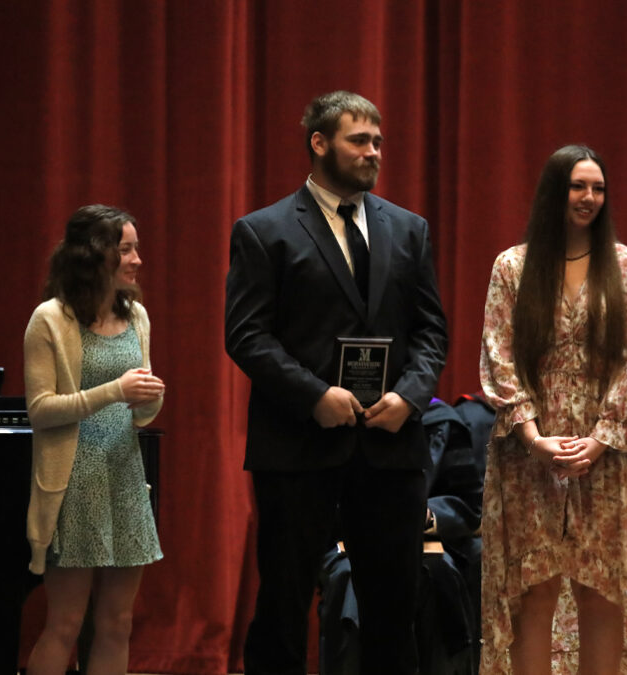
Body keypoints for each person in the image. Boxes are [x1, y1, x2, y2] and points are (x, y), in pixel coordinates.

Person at [224, 90, 447, 675]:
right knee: (284, 606)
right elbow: (247, 336)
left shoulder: (409, 230)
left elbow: (430, 332)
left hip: (389, 446)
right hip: (299, 447)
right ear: (319, 143)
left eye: (378, 142)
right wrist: (314, 396)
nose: (373, 152)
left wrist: (410, 396)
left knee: (393, 611)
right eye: (359, 140)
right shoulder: (263, 231)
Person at [479, 144, 627, 674]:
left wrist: (602, 435)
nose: (589, 197)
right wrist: (532, 436)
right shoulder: (512, 266)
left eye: (598, 188)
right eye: (577, 186)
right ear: (553, 192)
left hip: (607, 449)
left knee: (603, 588)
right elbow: (498, 355)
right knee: (534, 591)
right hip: (529, 451)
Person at [23, 204, 166, 674]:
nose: (136, 259)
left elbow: (141, 414)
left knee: (118, 623)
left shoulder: (138, 317)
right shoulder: (50, 319)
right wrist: (115, 390)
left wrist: (147, 398)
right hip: (73, 482)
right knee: (64, 623)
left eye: (136, 248)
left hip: (125, 477)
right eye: (125, 249)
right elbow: (41, 410)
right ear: (93, 255)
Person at [317, 397, 483, 675]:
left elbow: (469, 504)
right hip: (348, 545)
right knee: (348, 579)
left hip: (428, 544)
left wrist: (427, 515)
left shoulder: (442, 423)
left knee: (442, 576)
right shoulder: (338, 415)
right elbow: (316, 504)